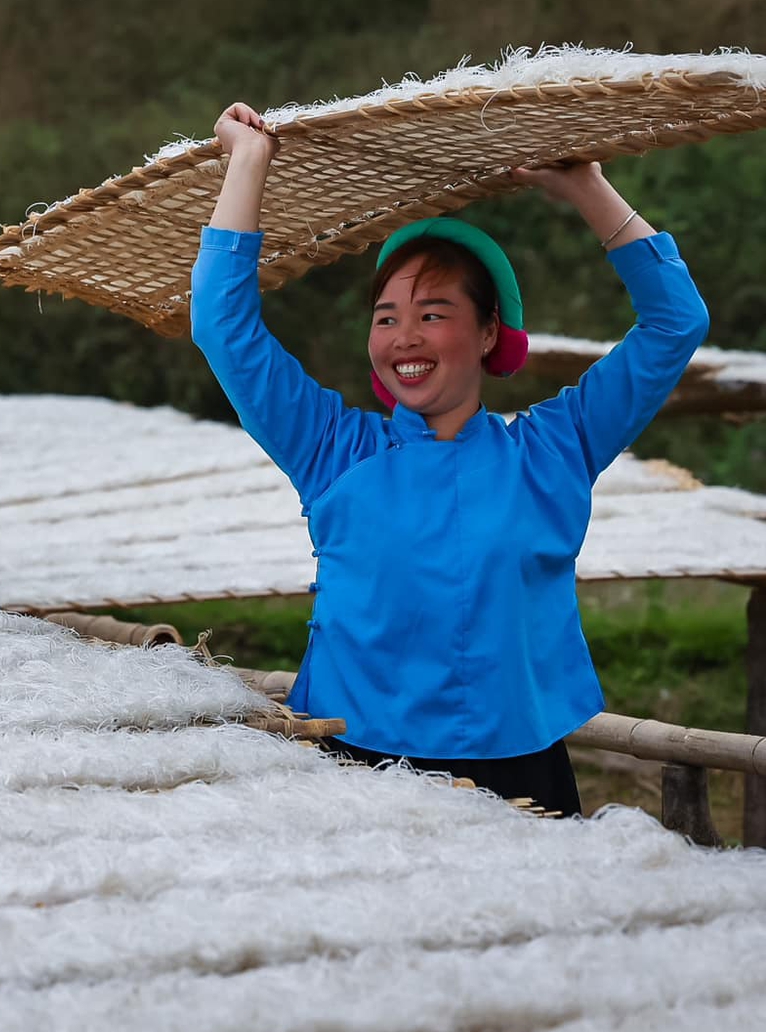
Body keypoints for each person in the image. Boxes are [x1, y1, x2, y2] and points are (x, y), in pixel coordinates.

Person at [189, 102, 709, 816]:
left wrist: (588, 187)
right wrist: (248, 163)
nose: (406, 336)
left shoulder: (554, 449)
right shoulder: (333, 449)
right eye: (387, 317)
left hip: (520, 769)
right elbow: (222, 325)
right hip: (353, 767)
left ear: (490, 329)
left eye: (433, 313)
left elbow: (676, 322)